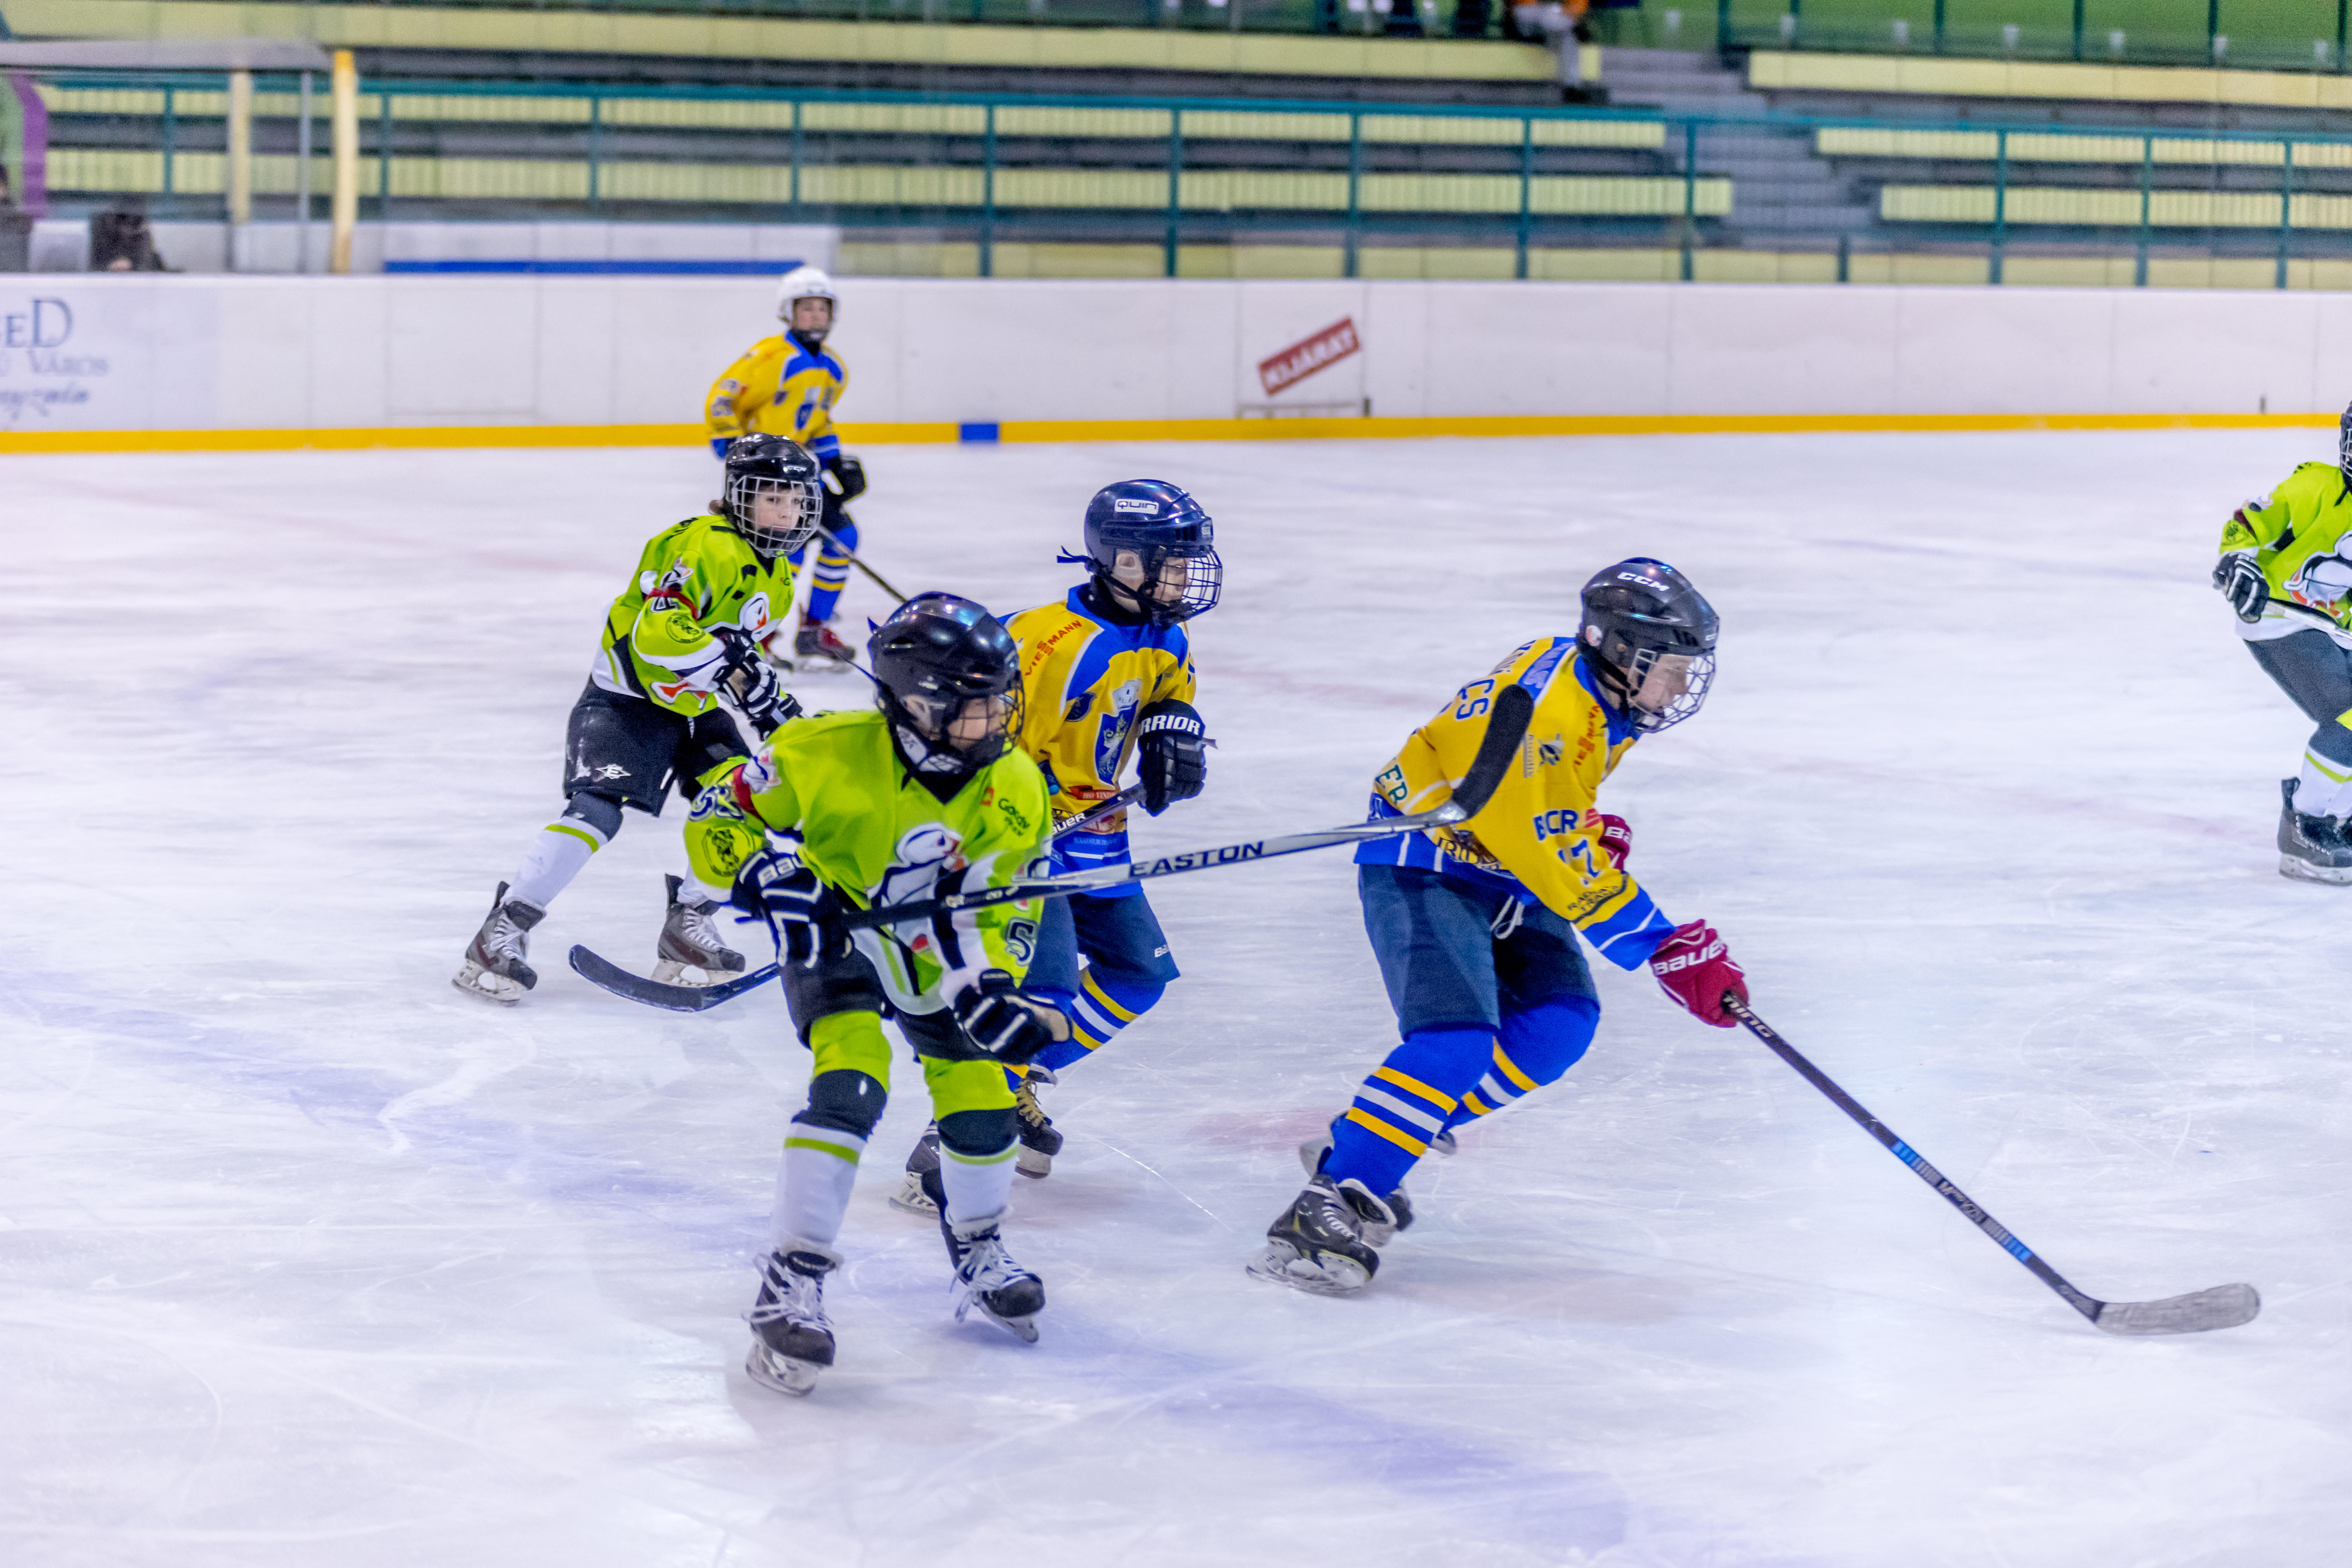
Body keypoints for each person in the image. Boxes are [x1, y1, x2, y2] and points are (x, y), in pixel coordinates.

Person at [1251, 558, 1747, 1296]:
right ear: (1622, 651)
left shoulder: (1594, 685)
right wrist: (1663, 946)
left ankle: (1375, 1136)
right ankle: (1326, 1205)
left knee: (1557, 1027)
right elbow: (1548, 849)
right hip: (1428, 862)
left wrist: (1577, 824)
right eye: (1671, 670)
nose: (1679, 689)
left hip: (1501, 864)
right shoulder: (1550, 716)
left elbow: (1541, 816)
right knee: (1455, 1042)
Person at [680, 594, 1068, 1396]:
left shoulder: (1017, 784)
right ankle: (791, 1276)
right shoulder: (819, 749)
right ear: (914, 703)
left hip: (943, 952)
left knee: (982, 1095)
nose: (994, 720)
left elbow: (1005, 908)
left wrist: (991, 983)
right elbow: (719, 814)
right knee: (852, 1083)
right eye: (973, 705)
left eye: (1001, 700)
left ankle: (978, 1241)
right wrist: (760, 872)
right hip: (836, 934)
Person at [890, 480, 1220, 1211]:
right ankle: (953, 1134)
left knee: (1139, 974)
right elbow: (979, 754)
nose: (1186, 578)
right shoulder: (1051, 647)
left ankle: (1010, 1081)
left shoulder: (1167, 633)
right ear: (1125, 562)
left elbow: (1165, 694)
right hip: (1021, 836)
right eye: (1172, 563)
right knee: (1044, 989)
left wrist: (1175, 728)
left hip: (1095, 833)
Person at [452, 436, 817, 1004]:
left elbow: (735, 653)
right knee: (597, 812)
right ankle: (503, 929)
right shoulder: (705, 545)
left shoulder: (779, 577)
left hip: (694, 710)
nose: (787, 513)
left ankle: (689, 923)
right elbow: (657, 634)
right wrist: (731, 667)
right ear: (741, 498)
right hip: (626, 702)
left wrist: (768, 698)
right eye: (774, 499)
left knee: (745, 798)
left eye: (795, 501)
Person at [2213, 408, 2352, 883]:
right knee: (2350, 718)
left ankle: (2339, 821)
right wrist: (2237, 558)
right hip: (2279, 618)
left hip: (2333, 629)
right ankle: (2306, 824)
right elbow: (2251, 521)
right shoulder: (2316, 485)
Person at [703, 266, 867, 670]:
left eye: (822, 308)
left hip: (799, 473)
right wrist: (735, 447)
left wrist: (836, 462)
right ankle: (759, 636)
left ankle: (814, 630)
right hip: (764, 476)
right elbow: (721, 400)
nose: (815, 315)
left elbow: (817, 422)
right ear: (788, 312)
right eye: (806, 307)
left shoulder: (834, 368)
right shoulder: (769, 357)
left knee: (843, 538)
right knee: (784, 551)